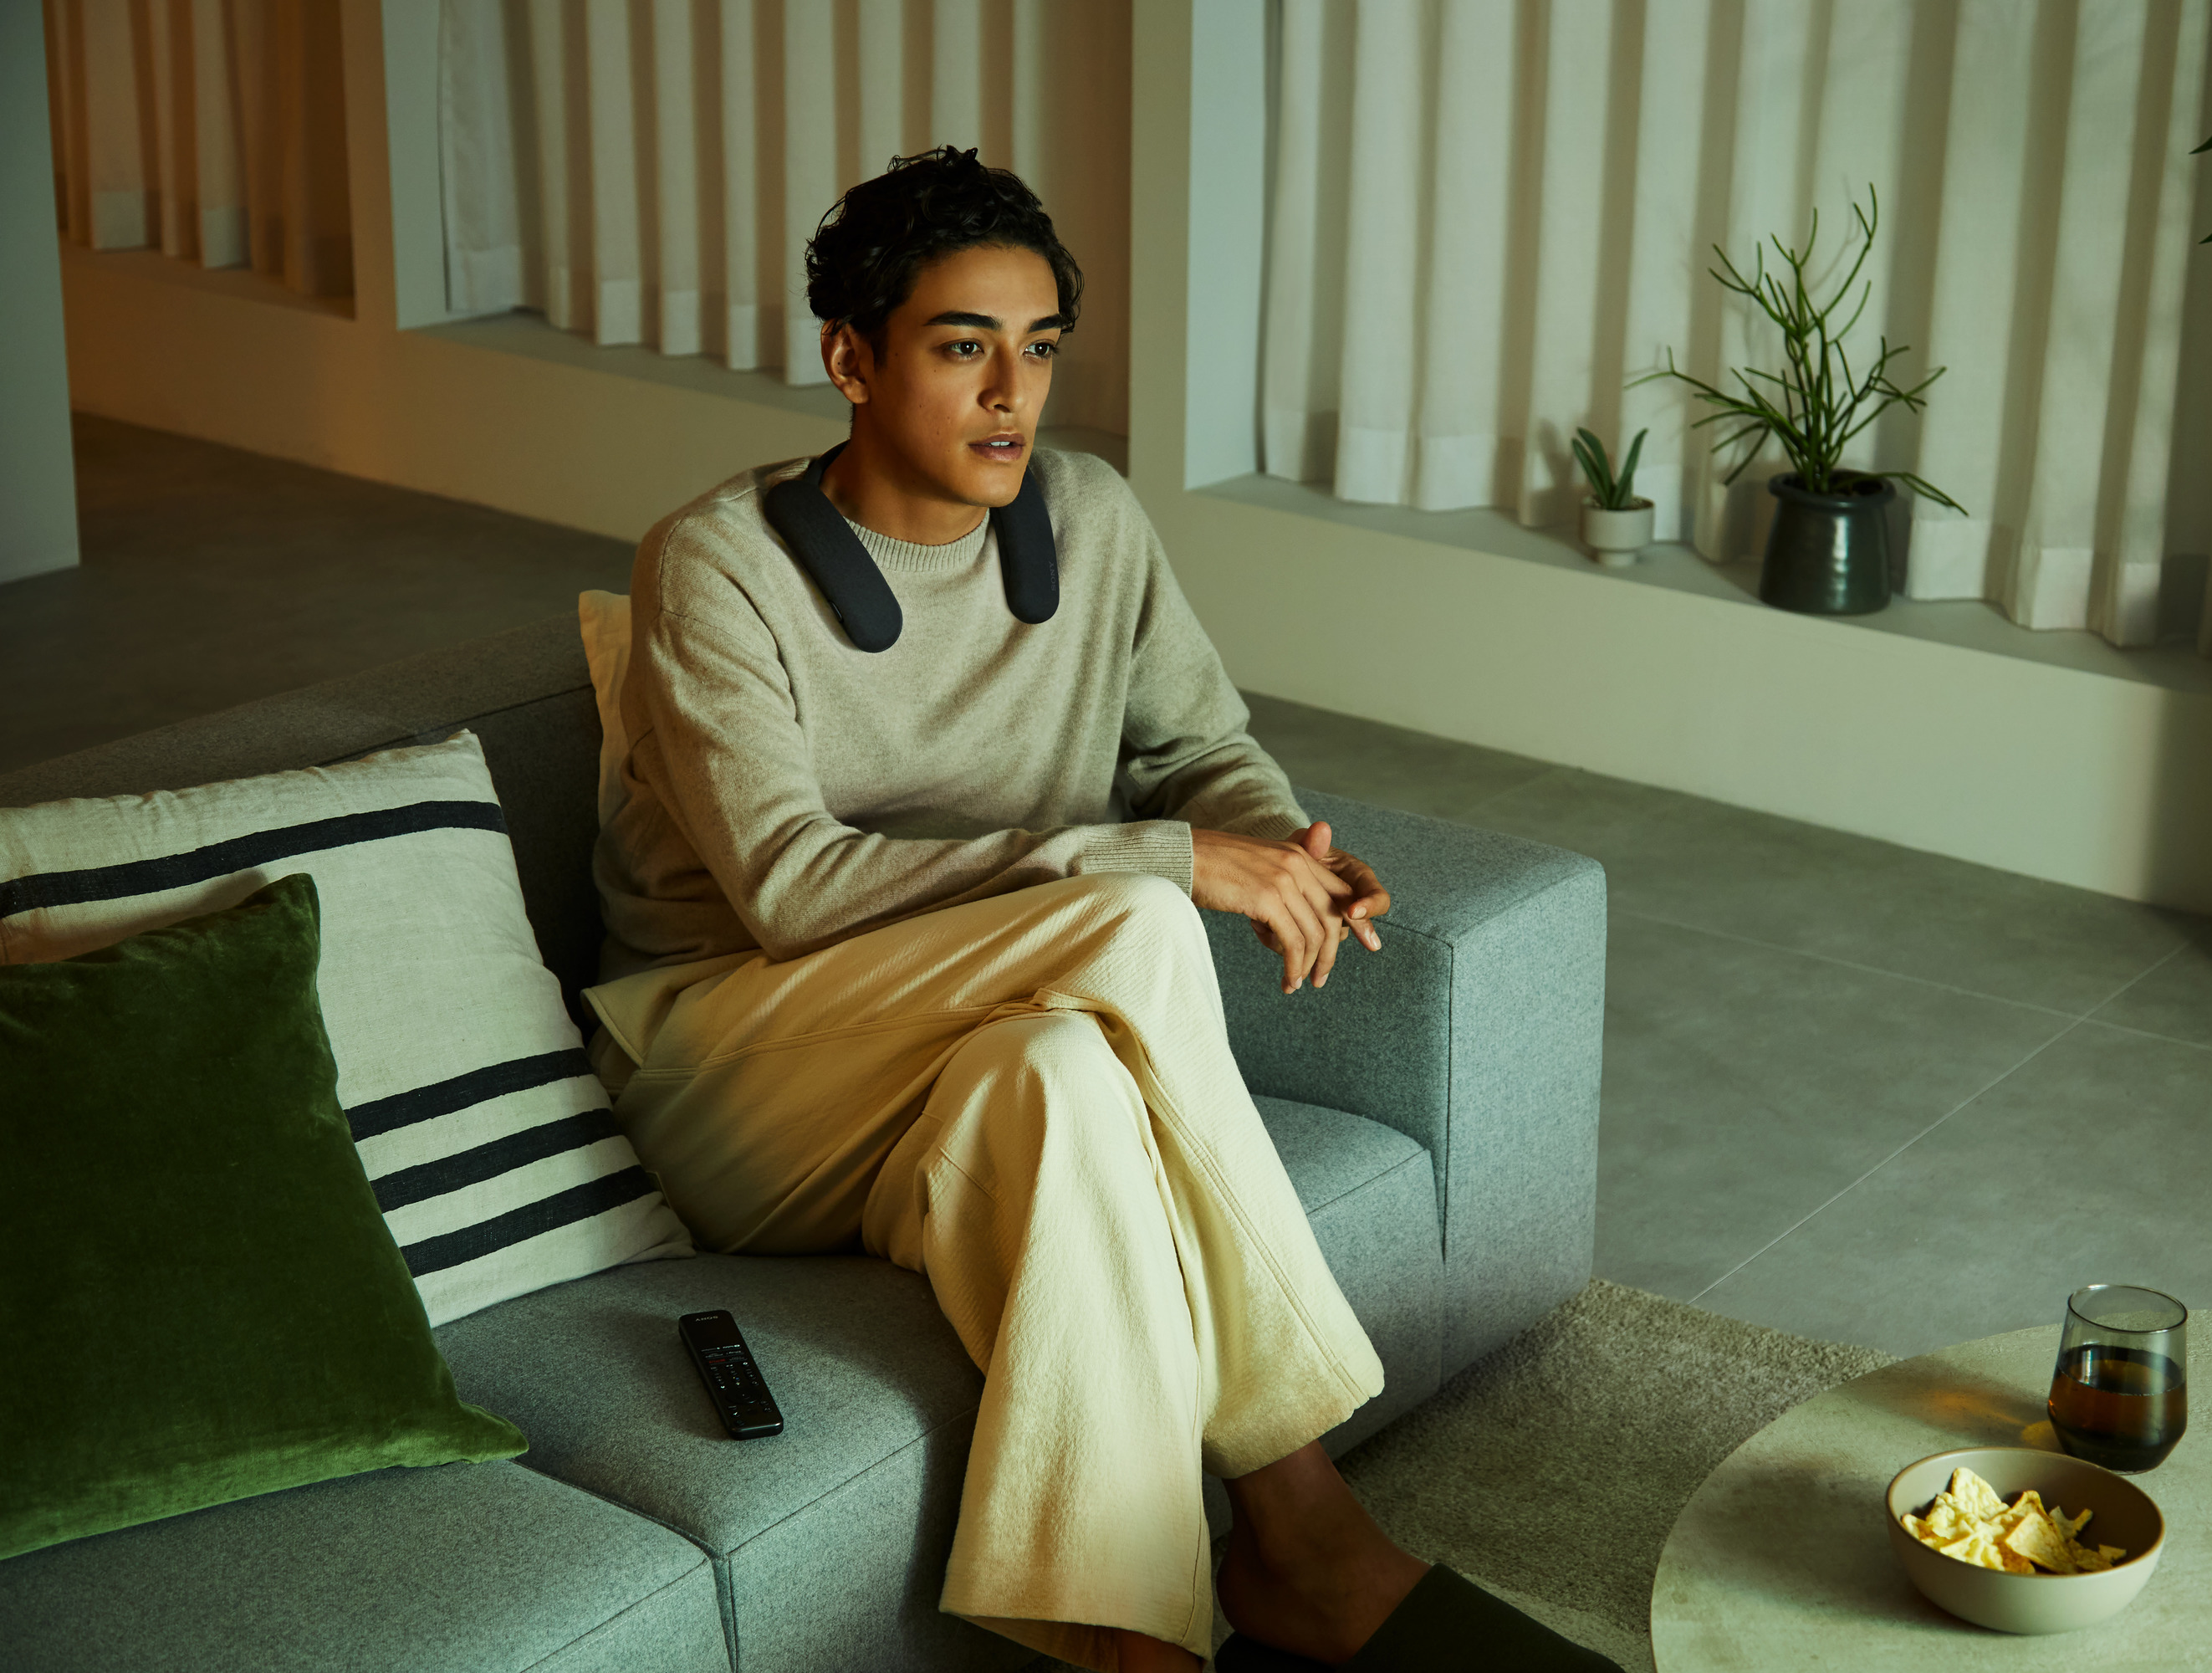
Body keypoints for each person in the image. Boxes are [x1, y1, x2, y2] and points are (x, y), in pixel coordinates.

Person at [583, 146, 1606, 1673]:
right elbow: (790, 888)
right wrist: (1163, 864)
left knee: (1061, 1074)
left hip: (971, 1054)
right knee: (1135, 920)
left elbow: (1195, 748)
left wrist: (1277, 839)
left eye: (1040, 347)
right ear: (851, 360)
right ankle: (1305, 1519)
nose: (1014, 393)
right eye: (962, 348)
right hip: (738, 1075)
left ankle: (1136, 1646)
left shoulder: (1091, 519)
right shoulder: (716, 567)